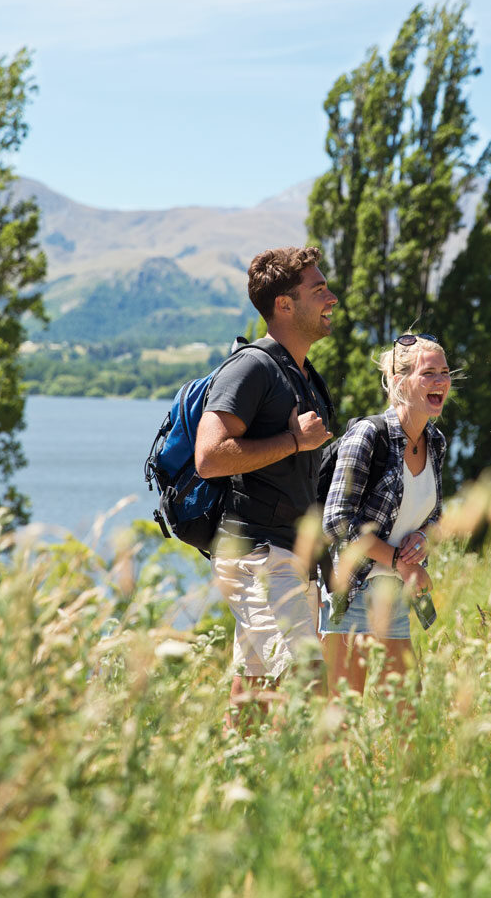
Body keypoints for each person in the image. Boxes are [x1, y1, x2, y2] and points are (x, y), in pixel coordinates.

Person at [194, 246, 337, 721]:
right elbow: (209, 457)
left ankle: (239, 781)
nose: (331, 297)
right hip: (258, 553)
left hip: (288, 556)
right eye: (318, 289)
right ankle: (313, 787)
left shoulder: (302, 374)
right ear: (284, 304)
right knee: (307, 676)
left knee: (253, 680)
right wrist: (294, 442)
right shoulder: (251, 367)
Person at [320, 333, 451, 696]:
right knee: (338, 718)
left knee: (408, 716)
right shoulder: (367, 435)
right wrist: (400, 562)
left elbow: (436, 514)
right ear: (398, 381)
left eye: (444, 372)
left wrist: (423, 539)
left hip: (393, 597)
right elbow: (337, 522)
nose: (441, 380)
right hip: (351, 594)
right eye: (429, 373)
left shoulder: (436, 443)